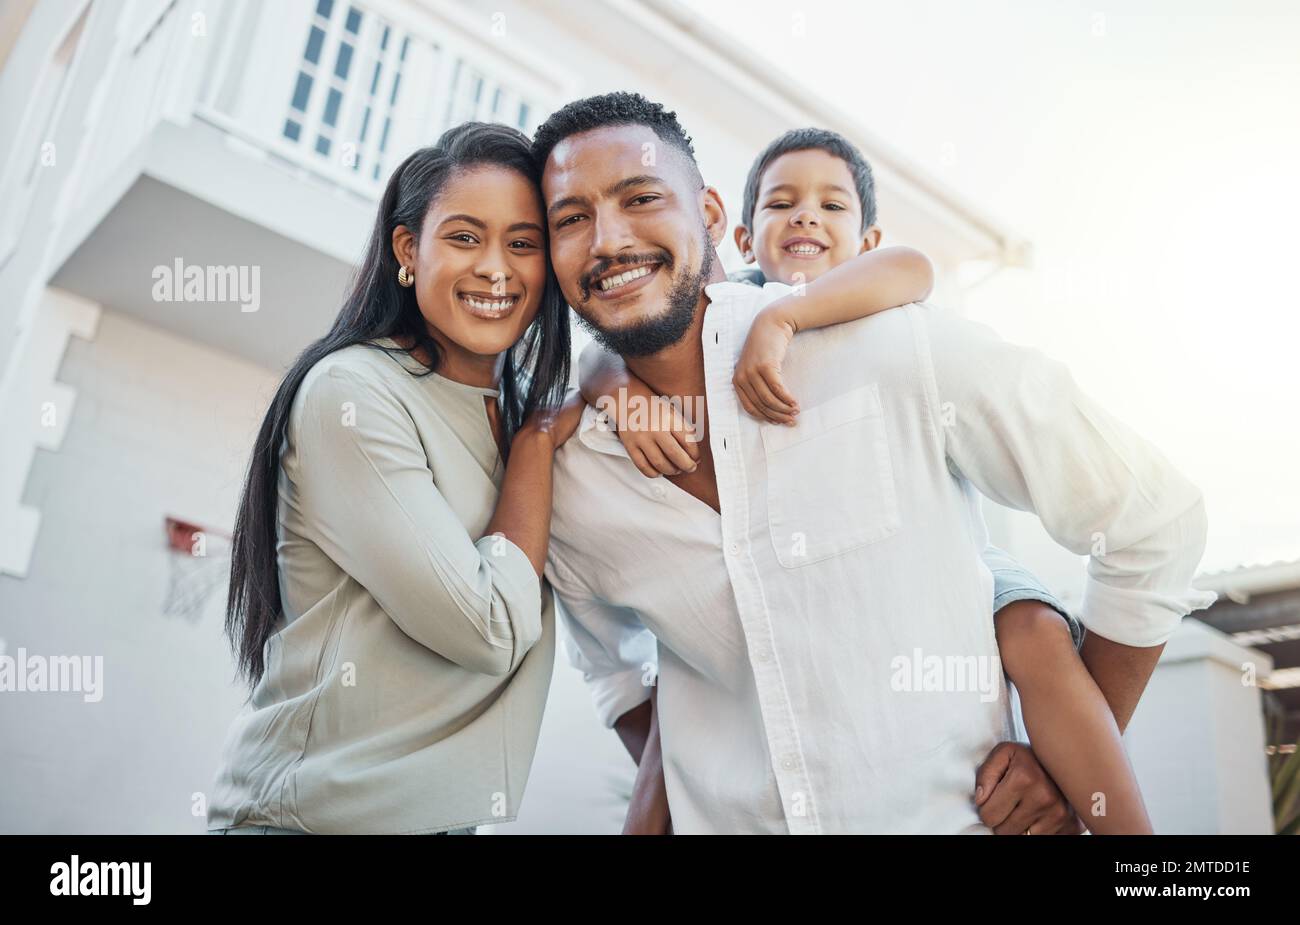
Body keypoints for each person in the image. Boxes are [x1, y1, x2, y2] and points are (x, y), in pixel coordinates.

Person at [534, 92, 1215, 834]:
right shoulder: (571, 485)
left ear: (707, 214)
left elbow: (1155, 521)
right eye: (571, 218)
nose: (607, 239)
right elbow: (617, 675)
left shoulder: (893, 348)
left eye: (641, 197)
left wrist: (1062, 770)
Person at [206, 122, 583, 835]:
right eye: (466, 237)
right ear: (409, 250)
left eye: (523, 243)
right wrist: (534, 447)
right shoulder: (353, 393)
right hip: (312, 823)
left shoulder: (531, 402)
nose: (497, 270)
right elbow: (490, 628)